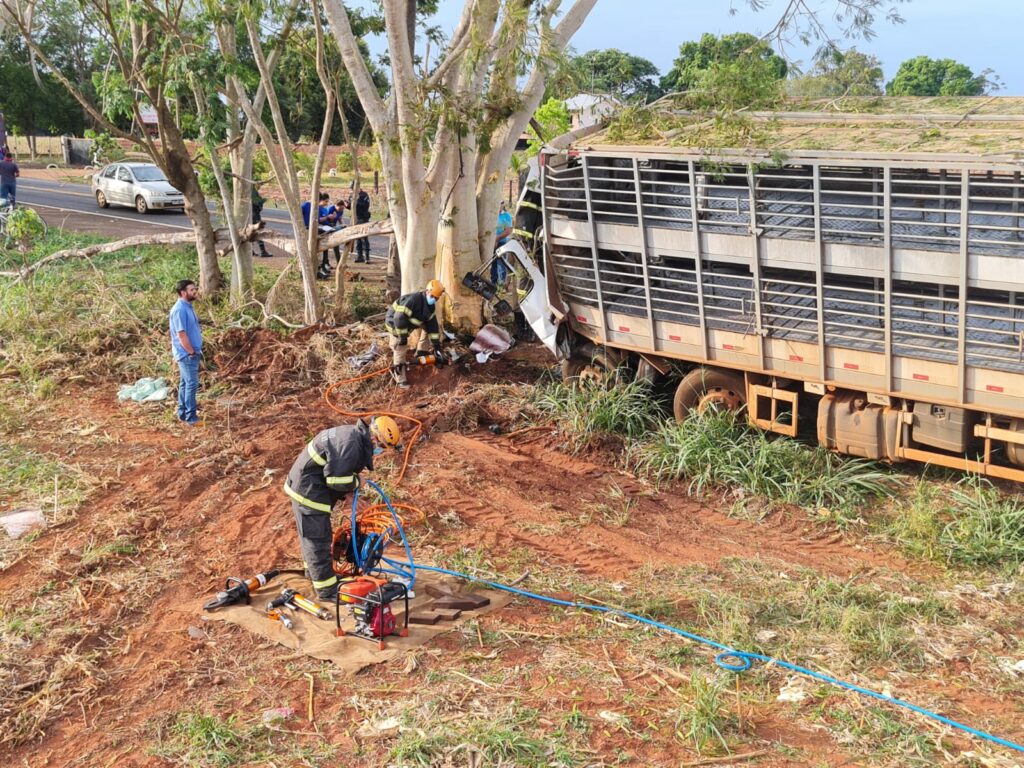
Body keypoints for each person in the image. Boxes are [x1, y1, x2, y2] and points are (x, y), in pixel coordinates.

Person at [284, 416, 402, 601]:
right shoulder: (352, 444)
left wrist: (347, 493)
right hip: (308, 491)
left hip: (310, 486)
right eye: (382, 448)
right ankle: (326, 589)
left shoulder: (352, 437)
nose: (379, 452)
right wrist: (356, 482)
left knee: (315, 538)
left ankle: (314, 574)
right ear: (375, 438)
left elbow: (335, 469)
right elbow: (335, 480)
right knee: (318, 539)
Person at [384, 279, 447, 387]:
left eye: (436, 298)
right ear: (427, 291)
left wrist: (436, 345)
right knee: (400, 348)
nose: (434, 299)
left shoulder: (430, 306)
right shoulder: (413, 300)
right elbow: (399, 318)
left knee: (430, 329)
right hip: (394, 323)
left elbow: (432, 326)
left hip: (409, 321)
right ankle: (401, 379)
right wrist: (403, 337)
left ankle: (422, 351)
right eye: (433, 296)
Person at [169, 279, 203, 425]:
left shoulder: (188, 307)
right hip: (186, 354)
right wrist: (191, 352)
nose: (195, 291)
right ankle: (191, 418)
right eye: (191, 290)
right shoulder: (179, 310)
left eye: (195, 289)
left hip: (190, 352)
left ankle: (182, 414)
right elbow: (181, 334)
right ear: (183, 293)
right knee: (191, 384)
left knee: (185, 384)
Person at [301, 192, 340, 279]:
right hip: (307, 230)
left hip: (315, 228)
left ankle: (323, 265)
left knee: (324, 242)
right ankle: (316, 269)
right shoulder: (305, 206)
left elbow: (318, 220)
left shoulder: (317, 207)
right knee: (311, 250)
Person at [491, 201, 513, 285]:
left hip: (502, 243)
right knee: (492, 263)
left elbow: (508, 231)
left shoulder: (506, 216)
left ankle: (502, 284)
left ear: (502, 205)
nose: (499, 205)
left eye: (500, 203)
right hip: (491, 243)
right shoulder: (491, 215)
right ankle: (493, 283)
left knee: (501, 263)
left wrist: (496, 239)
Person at [352, 187, 372, 263]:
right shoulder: (352, 195)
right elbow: (352, 207)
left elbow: (365, 205)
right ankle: (360, 256)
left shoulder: (364, 195)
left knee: (364, 238)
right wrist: (348, 205)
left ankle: (367, 257)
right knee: (358, 238)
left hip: (363, 218)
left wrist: (356, 202)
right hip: (356, 218)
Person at [251, 186, 270, 257]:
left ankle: (251, 251)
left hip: (248, 214)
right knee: (258, 232)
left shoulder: (246, 189)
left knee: (250, 232)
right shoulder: (252, 190)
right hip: (254, 214)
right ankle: (263, 251)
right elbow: (257, 202)